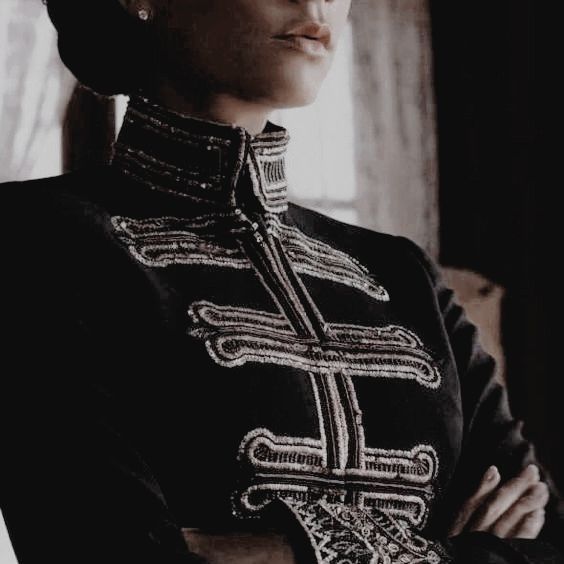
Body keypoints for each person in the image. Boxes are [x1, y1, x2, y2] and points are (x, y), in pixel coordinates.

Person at [1, 1, 562, 563]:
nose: (317, 2)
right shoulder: (31, 237)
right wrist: (457, 552)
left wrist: (285, 553)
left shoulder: (403, 273)